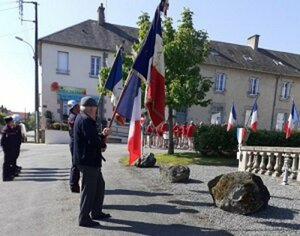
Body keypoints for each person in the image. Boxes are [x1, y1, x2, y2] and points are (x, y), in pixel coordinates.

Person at [74, 96, 111, 227]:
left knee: (99, 186)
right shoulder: (86, 121)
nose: (96, 112)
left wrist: (102, 134)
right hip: (88, 161)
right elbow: (93, 142)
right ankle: (84, 217)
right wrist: (103, 141)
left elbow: (91, 137)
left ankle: (96, 212)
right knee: (89, 190)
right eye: (95, 110)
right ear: (90, 109)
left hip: (88, 160)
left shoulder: (83, 118)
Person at [67, 100, 81, 193]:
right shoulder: (74, 117)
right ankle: (73, 185)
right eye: (77, 106)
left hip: (74, 142)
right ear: (74, 107)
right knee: (76, 164)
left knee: (76, 164)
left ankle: (74, 184)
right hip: (75, 142)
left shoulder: (74, 116)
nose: (79, 107)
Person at [1, 116, 18, 181]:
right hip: (7, 149)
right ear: (9, 122)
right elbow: (3, 141)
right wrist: (6, 150)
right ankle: (5, 177)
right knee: (7, 163)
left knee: (9, 162)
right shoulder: (6, 129)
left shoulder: (9, 128)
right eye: (12, 121)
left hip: (10, 148)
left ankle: (9, 175)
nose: (13, 122)